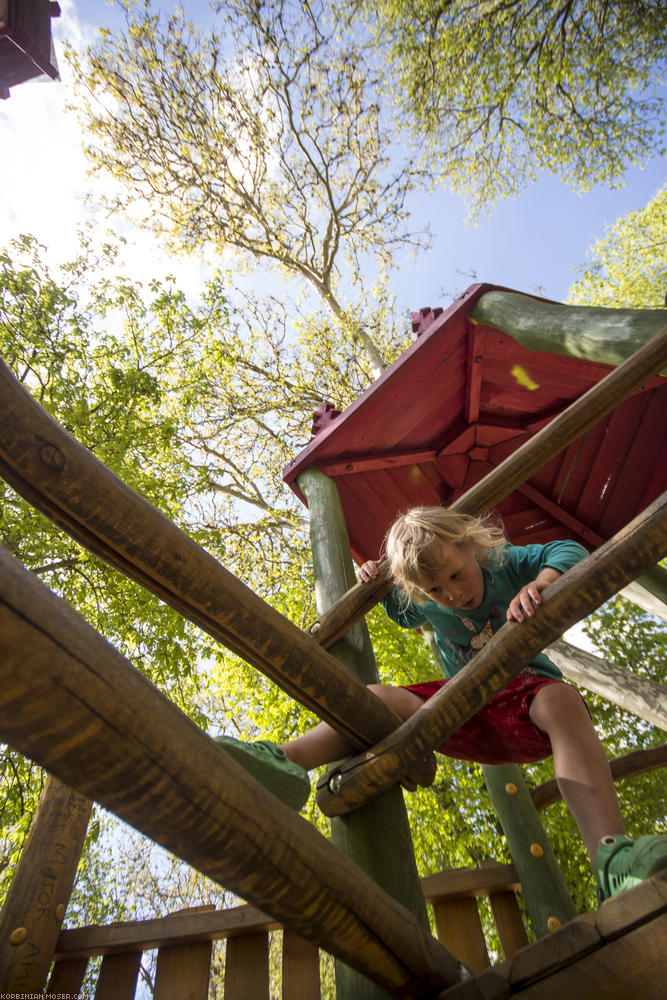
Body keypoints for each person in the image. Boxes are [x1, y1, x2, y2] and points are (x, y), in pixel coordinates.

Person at [215, 505, 667, 902]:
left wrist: (543, 583)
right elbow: (398, 606)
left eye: (455, 574)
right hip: (462, 708)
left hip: (525, 701)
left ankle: (611, 859)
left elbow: (568, 551)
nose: (451, 593)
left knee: (562, 700)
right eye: (434, 590)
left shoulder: (502, 563)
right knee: (377, 699)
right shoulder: (426, 602)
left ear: (471, 546)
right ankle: (281, 763)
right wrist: (372, 574)